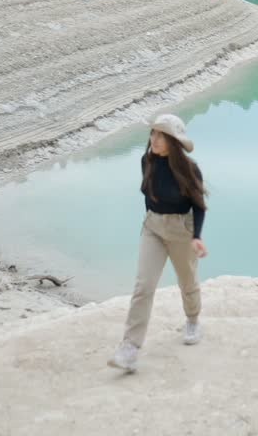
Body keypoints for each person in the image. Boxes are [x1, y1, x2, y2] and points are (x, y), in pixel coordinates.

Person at [108, 114, 209, 373]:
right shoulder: (147, 161)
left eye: (160, 135)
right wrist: (150, 221)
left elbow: (199, 206)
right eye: (153, 133)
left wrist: (196, 236)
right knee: (144, 285)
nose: (154, 139)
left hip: (181, 231)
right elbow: (148, 194)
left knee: (186, 281)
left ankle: (193, 320)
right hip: (152, 227)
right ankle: (130, 347)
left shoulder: (189, 169)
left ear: (173, 141)